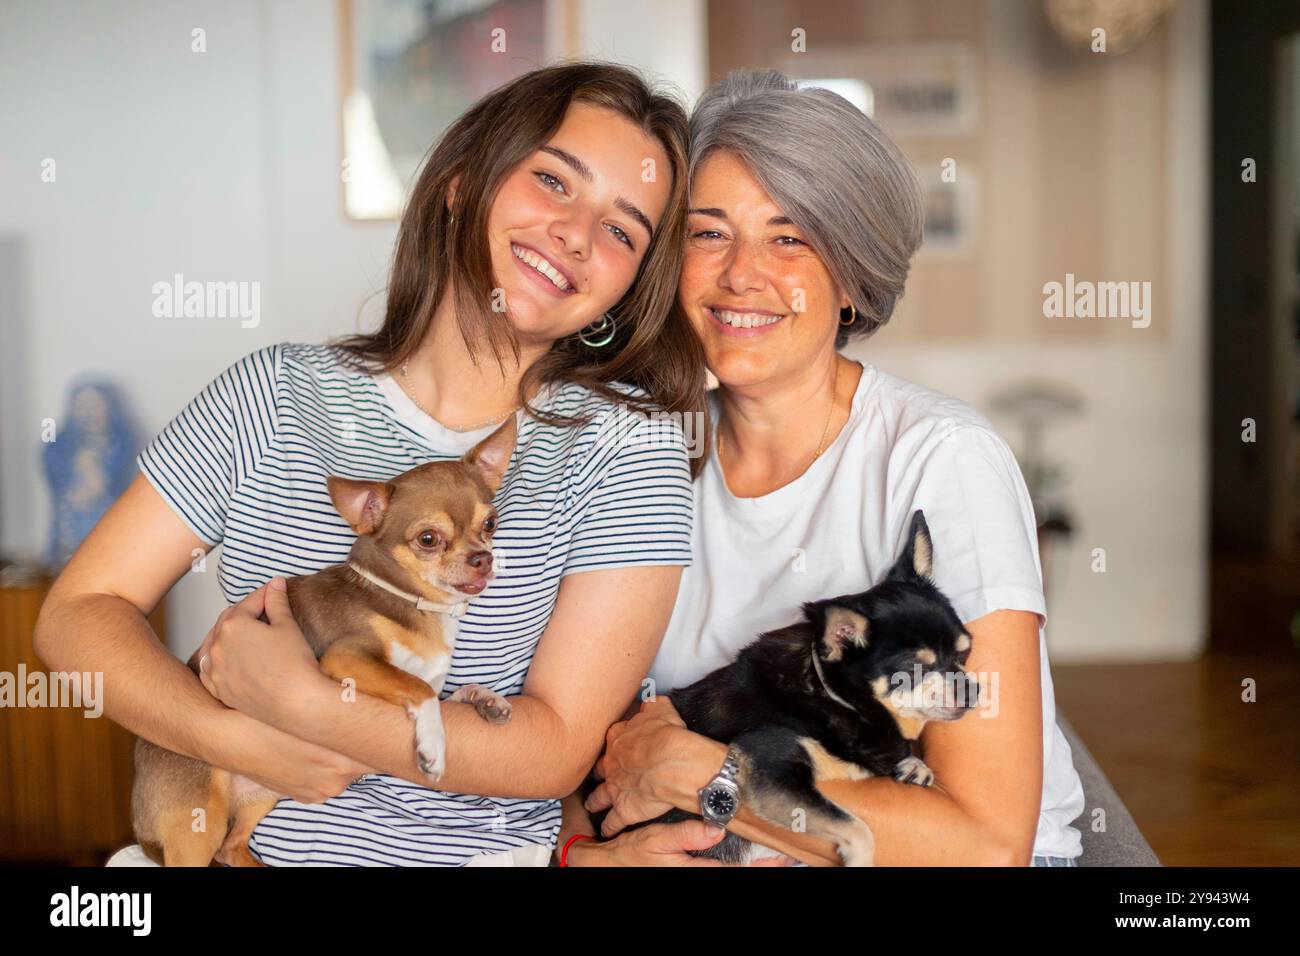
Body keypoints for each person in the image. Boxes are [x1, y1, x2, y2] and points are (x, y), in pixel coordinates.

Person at [34, 61, 709, 867]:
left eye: (622, 231)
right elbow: (79, 613)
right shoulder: (273, 395)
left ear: (625, 292)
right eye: (553, 181)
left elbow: (554, 749)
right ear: (461, 183)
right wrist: (235, 741)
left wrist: (312, 710)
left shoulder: (630, 448)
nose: (576, 234)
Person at [558, 70, 1086, 867]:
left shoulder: (943, 459)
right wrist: (586, 855)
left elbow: (984, 841)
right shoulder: (645, 454)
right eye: (708, 234)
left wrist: (708, 775)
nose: (741, 274)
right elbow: (579, 742)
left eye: (789, 238)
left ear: (850, 278)